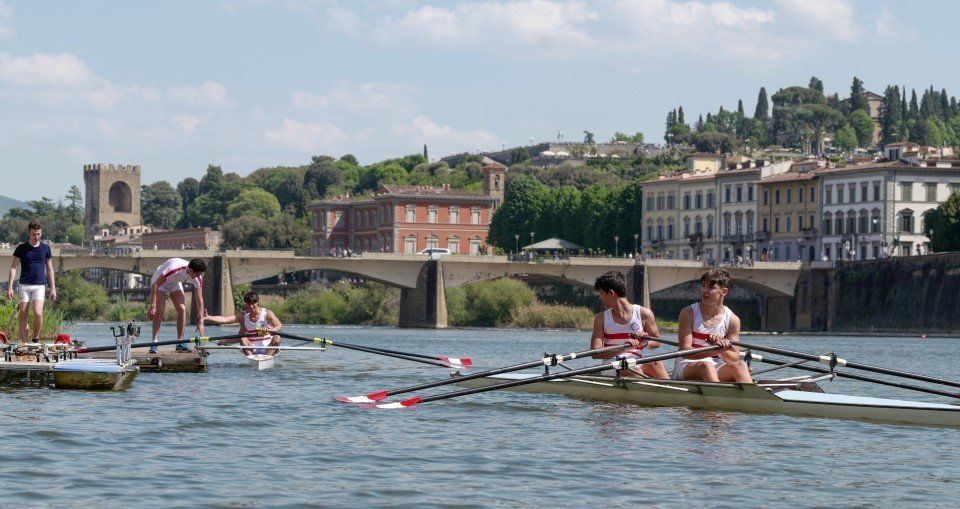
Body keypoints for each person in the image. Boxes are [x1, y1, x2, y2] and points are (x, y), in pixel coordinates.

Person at [673, 268, 752, 383]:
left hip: (716, 364)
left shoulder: (733, 320)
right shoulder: (688, 313)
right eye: (703, 285)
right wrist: (716, 349)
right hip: (686, 364)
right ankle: (720, 399)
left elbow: (734, 358)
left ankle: (750, 399)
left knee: (741, 366)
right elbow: (685, 351)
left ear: (724, 292)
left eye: (710, 287)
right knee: (707, 366)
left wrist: (722, 349)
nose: (704, 291)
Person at [590, 271, 669, 379]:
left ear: (611, 293)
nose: (600, 297)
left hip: (637, 363)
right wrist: (623, 347)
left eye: (602, 293)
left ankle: (676, 393)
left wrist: (645, 342)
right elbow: (595, 353)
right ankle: (653, 388)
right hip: (613, 367)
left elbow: (657, 342)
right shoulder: (601, 318)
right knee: (629, 369)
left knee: (656, 363)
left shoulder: (644, 314)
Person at [6, 220, 56, 343]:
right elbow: (13, 267)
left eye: (39, 234)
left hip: (39, 285)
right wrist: (10, 287)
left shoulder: (45, 248)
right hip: (24, 285)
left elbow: (49, 269)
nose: (36, 237)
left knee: (38, 313)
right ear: (29, 233)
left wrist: (53, 288)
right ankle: (25, 342)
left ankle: (35, 338)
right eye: (34, 234)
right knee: (23, 314)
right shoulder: (21, 248)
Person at [147, 258, 207, 353]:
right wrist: (153, 305)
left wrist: (201, 321)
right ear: (191, 271)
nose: (199, 276)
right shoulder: (174, 268)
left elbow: (199, 299)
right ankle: (154, 342)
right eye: (197, 274)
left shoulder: (197, 278)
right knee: (160, 310)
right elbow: (155, 285)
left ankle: (180, 343)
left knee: (182, 308)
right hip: (159, 283)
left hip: (174, 283)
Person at [204, 291, 282, 359]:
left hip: (268, 347)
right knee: (242, 337)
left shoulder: (267, 313)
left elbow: (279, 326)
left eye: (253, 303)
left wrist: (269, 330)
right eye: (249, 304)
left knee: (277, 337)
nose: (251, 306)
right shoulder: (242, 316)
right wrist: (208, 317)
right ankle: (252, 358)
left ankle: (267, 358)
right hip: (251, 347)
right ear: (245, 304)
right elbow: (225, 319)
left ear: (257, 302)